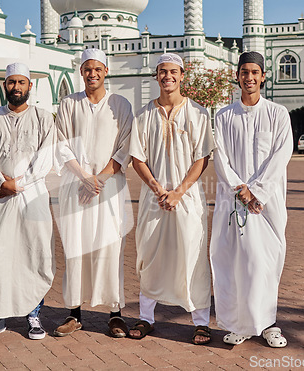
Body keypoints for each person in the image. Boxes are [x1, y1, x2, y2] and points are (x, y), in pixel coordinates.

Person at [128, 53, 215, 345]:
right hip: (154, 199)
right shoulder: (144, 115)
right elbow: (138, 158)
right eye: (163, 71)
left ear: (182, 75)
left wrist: (178, 192)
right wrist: (157, 188)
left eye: (173, 71)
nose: (168, 76)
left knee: (192, 255)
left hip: (188, 199)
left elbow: (202, 158)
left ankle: (201, 322)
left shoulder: (198, 113)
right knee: (149, 255)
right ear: (156, 76)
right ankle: (146, 318)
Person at [210, 51, 293, 348]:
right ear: (237, 76)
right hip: (234, 201)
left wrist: (255, 190)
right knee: (237, 261)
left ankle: (267, 323)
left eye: (255, 72)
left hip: (266, 204)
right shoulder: (223, 115)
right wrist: (239, 188)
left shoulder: (277, 113)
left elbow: (281, 154)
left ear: (263, 76)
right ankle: (241, 324)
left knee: (265, 261)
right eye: (244, 72)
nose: (249, 77)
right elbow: (218, 155)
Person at [0, 63, 56, 340]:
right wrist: (1, 181)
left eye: (21, 82)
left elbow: (46, 157)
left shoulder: (44, 118)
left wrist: (17, 184)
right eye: (11, 83)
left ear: (30, 86)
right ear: (5, 86)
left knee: (34, 254)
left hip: (32, 197)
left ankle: (34, 316)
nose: (16, 87)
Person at [53, 49, 133, 338]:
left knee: (110, 249)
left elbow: (126, 146)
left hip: (109, 188)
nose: (93, 73)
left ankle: (115, 314)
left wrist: (99, 178)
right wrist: (84, 177)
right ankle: (74, 313)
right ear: (81, 72)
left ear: (106, 71)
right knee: (76, 248)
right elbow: (60, 143)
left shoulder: (120, 104)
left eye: (98, 69)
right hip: (76, 187)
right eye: (88, 69)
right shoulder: (69, 104)